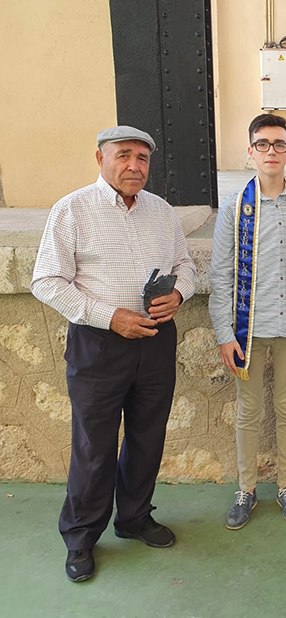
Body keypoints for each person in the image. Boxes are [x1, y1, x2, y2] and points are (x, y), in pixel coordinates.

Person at [31, 126, 196, 583]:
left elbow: (185, 264)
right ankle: (81, 537)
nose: (134, 166)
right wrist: (110, 317)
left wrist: (179, 294)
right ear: (100, 158)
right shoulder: (73, 209)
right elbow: (46, 281)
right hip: (99, 345)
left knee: (148, 436)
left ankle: (135, 517)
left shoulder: (161, 211)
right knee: (94, 446)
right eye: (124, 155)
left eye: (142, 158)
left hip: (156, 341)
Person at [209, 114, 286, 530]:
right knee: (249, 411)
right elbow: (220, 273)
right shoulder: (233, 207)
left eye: (278, 144)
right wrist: (225, 333)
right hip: (249, 329)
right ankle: (246, 489)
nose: (270, 151)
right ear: (250, 151)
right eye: (262, 144)